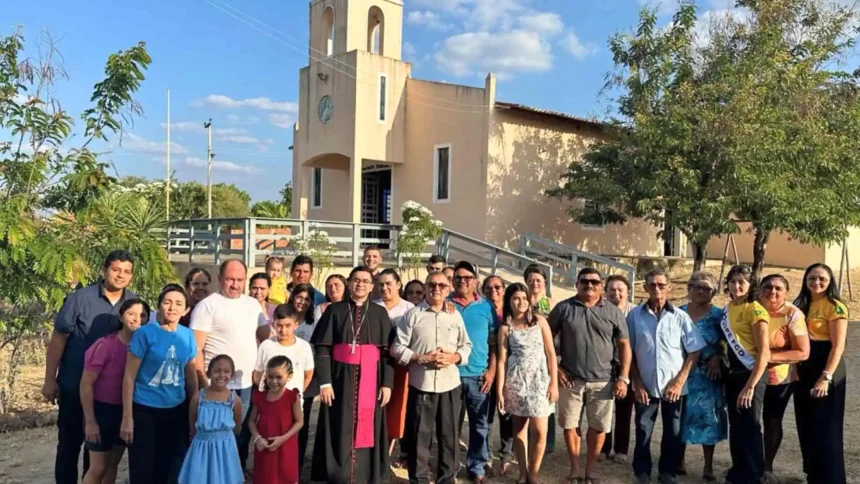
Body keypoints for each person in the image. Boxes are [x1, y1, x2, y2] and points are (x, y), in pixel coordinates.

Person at [45, 249, 137, 484]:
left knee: (97, 451)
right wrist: (49, 379)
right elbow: (59, 338)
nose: (120, 275)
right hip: (74, 384)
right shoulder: (79, 299)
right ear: (104, 270)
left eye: (127, 271)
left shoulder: (134, 304)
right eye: (116, 269)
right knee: (69, 444)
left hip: (109, 395)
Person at [310, 266, 395, 483]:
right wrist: (325, 382)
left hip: (372, 379)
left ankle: (365, 474)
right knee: (339, 424)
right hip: (339, 379)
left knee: (368, 425)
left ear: (371, 286)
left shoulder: (379, 312)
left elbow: (387, 353)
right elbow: (322, 348)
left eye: (366, 281)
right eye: (356, 280)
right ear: (349, 283)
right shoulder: (334, 310)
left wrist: (387, 383)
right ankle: (337, 474)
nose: (360, 284)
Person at [549, 267, 631, 484]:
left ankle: (591, 469)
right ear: (577, 284)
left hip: (603, 380)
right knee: (570, 424)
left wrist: (623, 377)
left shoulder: (612, 311)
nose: (589, 285)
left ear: (601, 285)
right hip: (570, 379)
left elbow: (624, 345)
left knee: (598, 427)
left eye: (595, 282)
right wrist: (555, 369)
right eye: (584, 281)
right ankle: (575, 467)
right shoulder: (563, 308)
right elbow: (546, 339)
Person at [391, 271, 472, 484]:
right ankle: (419, 479)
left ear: (448, 289)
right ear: (426, 288)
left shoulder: (455, 315)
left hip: (449, 384)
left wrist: (454, 357)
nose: (436, 289)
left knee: (449, 436)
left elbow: (466, 345)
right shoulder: (412, 315)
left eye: (442, 286)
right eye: (432, 285)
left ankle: (447, 479)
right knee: (420, 437)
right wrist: (420, 357)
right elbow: (397, 348)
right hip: (422, 384)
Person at [189, 260, 270, 471]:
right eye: (230, 279)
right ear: (220, 279)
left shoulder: (252, 304)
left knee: (241, 432)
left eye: (240, 280)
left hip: (245, 383)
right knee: (214, 434)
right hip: (216, 384)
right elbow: (196, 349)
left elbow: (265, 339)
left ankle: (237, 471)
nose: (235, 284)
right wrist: (203, 383)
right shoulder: (207, 305)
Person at [628, 269, 705, 484]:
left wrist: (680, 381)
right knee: (643, 429)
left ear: (669, 288)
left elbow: (694, 350)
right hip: (645, 384)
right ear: (645, 288)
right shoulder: (634, 315)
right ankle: (642, 472)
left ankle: (667, 472)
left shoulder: (680, 317)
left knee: (673, 431)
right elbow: (628, 351)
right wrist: (637, 382)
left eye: (661, 285)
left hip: (674, 387)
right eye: (652, 285)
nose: (657, 289)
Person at [121, 285, 198, 484]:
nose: (172, 307)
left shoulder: (187, 336)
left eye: (178, 303)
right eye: (167, 302)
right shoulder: (145, 334)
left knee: (170, 470)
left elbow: (191, 376)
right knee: (143, 470)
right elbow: (129, 377)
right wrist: (127, 418)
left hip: (175, 410)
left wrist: (194, 413)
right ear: (160, 306)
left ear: (186, 310)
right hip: (145, 410)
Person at [496, 283, 558, 484]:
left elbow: (550, 354)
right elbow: (502, 360)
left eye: (524, 298)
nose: (520, 302)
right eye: (516, 298)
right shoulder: (506, 328)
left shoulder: (540, 322)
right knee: (519, 429)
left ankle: (534, 472)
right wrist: (499, 391)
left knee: (540, 431)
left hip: (540, 382)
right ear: (509, 301)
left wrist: (553, 384)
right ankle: (523, 473)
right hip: (516, 382)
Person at [80, 298, 147, 484]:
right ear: (121, 316)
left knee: (111, 465)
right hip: (102, 412)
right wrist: (91, 421)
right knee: (98, 468)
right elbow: (86, 383)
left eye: (142, 315)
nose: (137, 319)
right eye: (131, 314)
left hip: (126, 411)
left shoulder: (146, 347)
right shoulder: (105, 345)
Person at [793, 263, 848, 484]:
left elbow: (838, 346)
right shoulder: (801, 305)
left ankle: (832, 479)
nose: (816, 283)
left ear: (830, 281)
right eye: (812, 278)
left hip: (826, 366)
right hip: (804, 367)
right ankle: (813, 475)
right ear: (805, 281)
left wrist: (826, 377)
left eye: (822, 279)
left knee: (827, 426)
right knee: (806, 423)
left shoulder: (835, 306)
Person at [720, 265, 770, 484]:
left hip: (752, 373)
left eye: (742, 281)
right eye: (732, 281)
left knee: (750, 425)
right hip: (733, 374)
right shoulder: (727, 309)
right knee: (736, 424)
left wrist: (750, 385)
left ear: (751, 286)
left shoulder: (755, 309)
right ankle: (738, 469)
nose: (736, 285)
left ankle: (754, 474)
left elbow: (764, 351)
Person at [758, 274, 809, 483]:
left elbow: (803, 352)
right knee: (747, 421)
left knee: (771, 421)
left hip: (779, 378)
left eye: (779, 288)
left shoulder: (793, 314)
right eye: (768, 286)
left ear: (787, 292)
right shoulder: (751, 309)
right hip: (748, 374)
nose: (773, 291)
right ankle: (747, 463)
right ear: (760, 289)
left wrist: (767, 357)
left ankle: (766, 467)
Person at [450, 261, 498, 483]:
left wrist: (492, 370)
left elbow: (495, 343)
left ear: (476, 281)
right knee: (450, 425)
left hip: (479, 375)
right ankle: (449, 465)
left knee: (480, 424)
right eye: (458, 277)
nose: (463, 281)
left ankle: (477, 466)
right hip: (449, 375)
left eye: (468, 277)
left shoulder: (487, 307)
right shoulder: (445, 303)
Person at [678, 272, 727, 482]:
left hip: (708, 374)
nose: (700, 291)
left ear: (714, 293)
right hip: (679, 373)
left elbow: (728, 342)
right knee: (678, 417)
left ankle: (708, 466)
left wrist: (719, 355)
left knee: (709, 419)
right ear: (689, 289)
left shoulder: (719, 315)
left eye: (706, 288)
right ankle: (678, 460)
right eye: (696, 286)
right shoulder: (676, 313)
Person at [297, 274, 346, 473]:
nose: (333, 288)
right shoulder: (321, 309)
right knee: (312, 415)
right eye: (329, 285)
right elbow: (318, 338)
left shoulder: (355, 308)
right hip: (322, 364)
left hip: (345, 368)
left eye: (337, 285)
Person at [178, 354, 244, 484]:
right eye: (217, 371)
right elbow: (192, 424)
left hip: (225, 448)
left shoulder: (234, 400)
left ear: (232, 375)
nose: (221, 375)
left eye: (226, 371)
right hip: (202, 446)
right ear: (209, 373)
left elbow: (237, 426)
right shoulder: (198, 398)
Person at [374, 269, 415, 464]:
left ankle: (389, 455)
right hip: (375, 365)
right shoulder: (372, 307)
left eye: (389, 283)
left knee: (397, 412)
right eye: (381, 284)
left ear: (398, 284)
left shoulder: (410, 309)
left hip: (401, 366)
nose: (384, 288)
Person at [249, 355, 304, 484]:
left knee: (285, 476)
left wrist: (283, 438)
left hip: (286, 447)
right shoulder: (259, 396)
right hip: (265, 447)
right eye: (270, 377)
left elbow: (299, 421)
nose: (274, 381)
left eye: (279, 377)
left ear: (289, 376)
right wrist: (257, 438)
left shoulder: (292, 396)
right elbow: (251, 421)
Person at [482, 275, 514, 476]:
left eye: (497, 287)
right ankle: (485, 457)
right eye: (489, 287)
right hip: (484, 371)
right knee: (486, 417)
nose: (493, 291)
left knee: (507, 416)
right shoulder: (481, 309)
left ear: (504, 290)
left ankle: (506, 456)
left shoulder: (512, 313)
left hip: (509, 372)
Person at [601, 274, 634, 464]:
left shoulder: (636, 313)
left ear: (627, 291)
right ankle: (604, 447)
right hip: (604, 365)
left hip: (627, 365)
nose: (616, 293)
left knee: (624, 409)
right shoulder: (600, 310)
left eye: (620, 289)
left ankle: (621, 449)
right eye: (612, 289)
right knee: (604, 408)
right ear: (606, 292)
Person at [253, 304, 314, 396]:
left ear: (296, 325)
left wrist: (296, 395)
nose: (283, 330)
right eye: (279, 325)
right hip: (268, 400)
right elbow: (258, 374)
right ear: (273, 324)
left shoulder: (304, 347)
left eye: (288, 326)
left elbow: (308, 375)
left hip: (293, 403)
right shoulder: (266, 345)